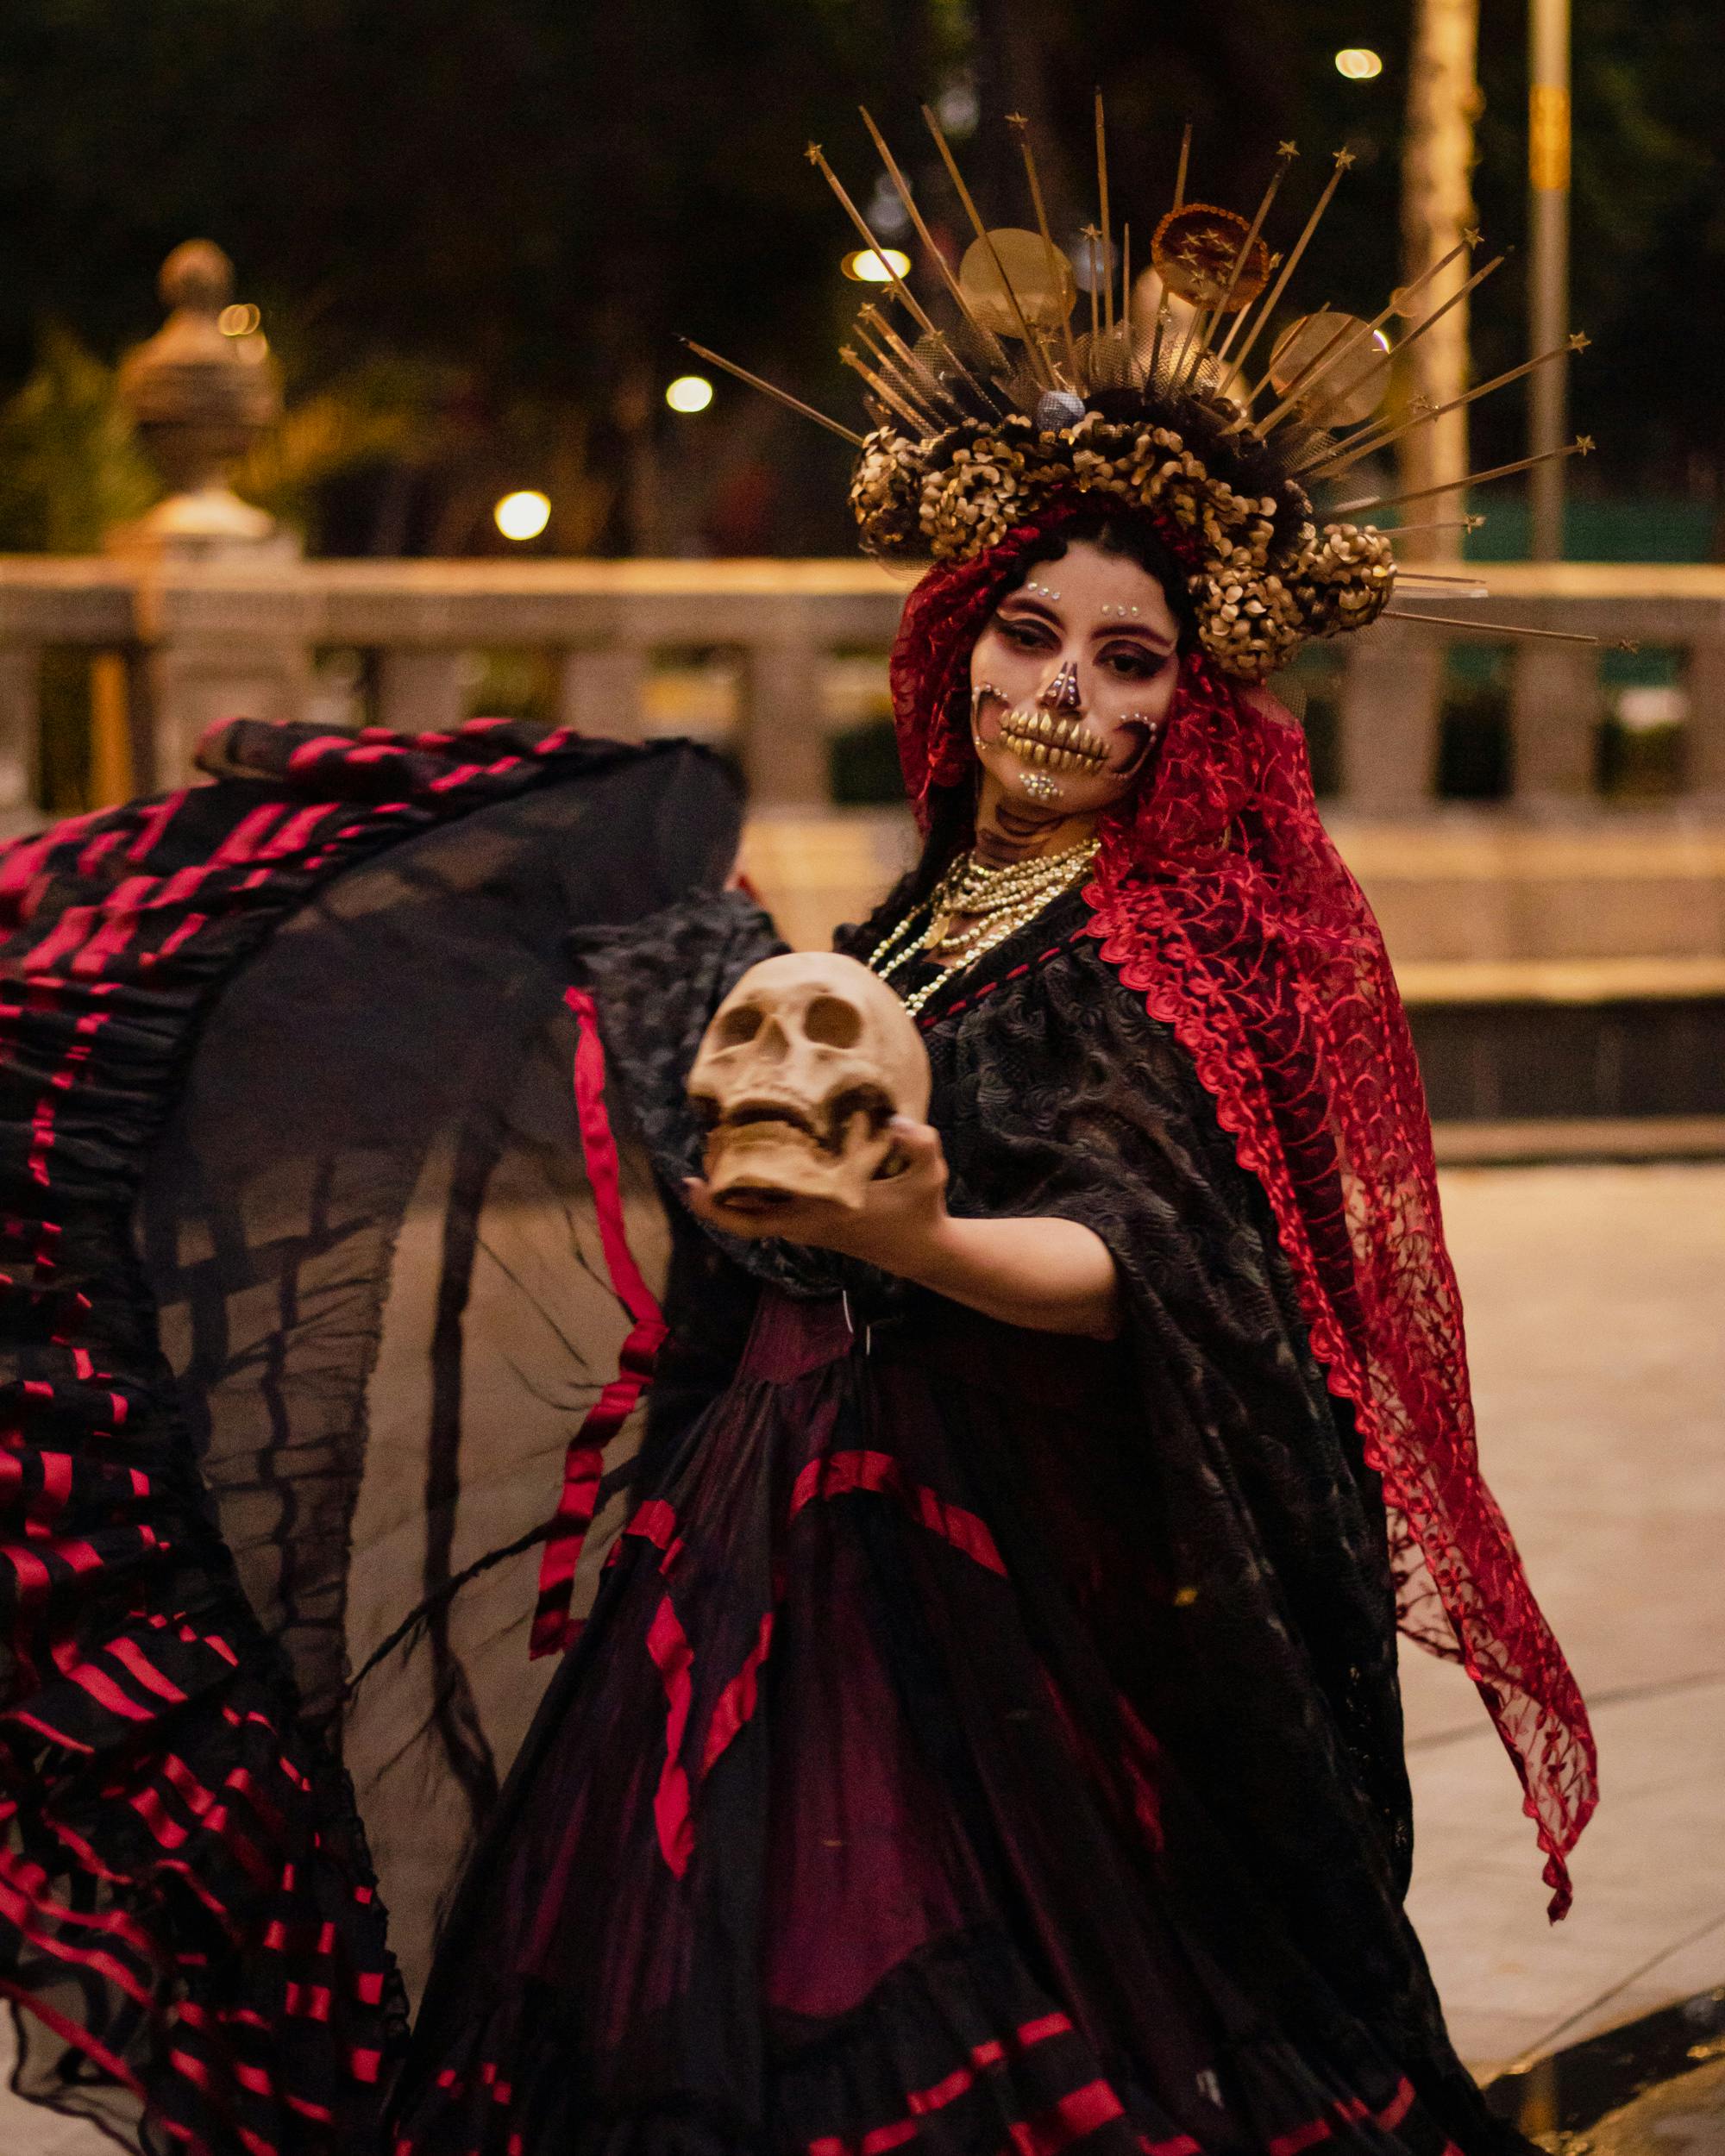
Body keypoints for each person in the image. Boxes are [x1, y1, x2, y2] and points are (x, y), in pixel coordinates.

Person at [0, 117, 1595, 2156]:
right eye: (1030, 636)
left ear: (1184, 706)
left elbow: (1162, 1257)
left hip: (989, 1559)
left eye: (1125, 663)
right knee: (690, 1959)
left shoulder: (1166, 938)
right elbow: (777, 1152)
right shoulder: (931, 907)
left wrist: (926, 1237)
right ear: (963, 639)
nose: (1059, 695)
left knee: (946, 1979)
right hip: (764, 1500)